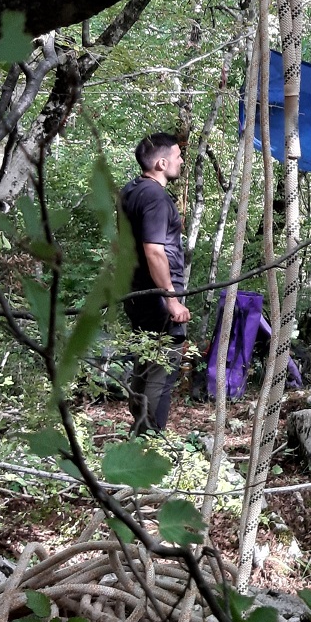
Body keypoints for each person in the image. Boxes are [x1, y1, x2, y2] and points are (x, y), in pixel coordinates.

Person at [120, 132, 190, 434]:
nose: (181, 161)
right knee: (161, 369)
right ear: (161, 163)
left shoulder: (131, 190)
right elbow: (153, 250)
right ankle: (150, 441)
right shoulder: (155, 196)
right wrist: (171, 298)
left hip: (136, 291)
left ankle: (138, 431)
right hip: (157, 296)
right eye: (177, 156)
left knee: (145, 362)